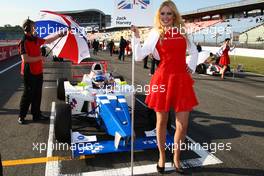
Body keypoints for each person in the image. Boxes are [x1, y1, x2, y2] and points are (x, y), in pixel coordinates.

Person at [131, 0, 198, 174]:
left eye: (169, 13)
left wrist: (191, 66)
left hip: (181, 81)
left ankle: (176, 157)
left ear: (174, 15)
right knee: (161, 122)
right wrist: (136, 36)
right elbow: (138, 56)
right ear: (158, 16)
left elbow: (194, 51)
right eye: (163, 13)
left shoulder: (182, 32)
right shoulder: (155, 33)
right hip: (162, 80)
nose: (166, 17)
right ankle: (161, 156)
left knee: (183, 125)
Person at [17, 19, 67, 124]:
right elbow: (25, 59)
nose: (35, 28)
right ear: (27, 28)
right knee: (28, 95)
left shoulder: (35, 39)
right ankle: (21, 116)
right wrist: (40, 57)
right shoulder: (23, 41)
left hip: (38, 71)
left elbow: (48, 40)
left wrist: (59, 35)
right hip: (29, 72)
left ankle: (37, 115)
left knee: (37, 94)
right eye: (33, 26)